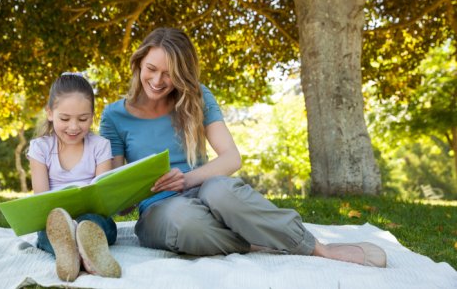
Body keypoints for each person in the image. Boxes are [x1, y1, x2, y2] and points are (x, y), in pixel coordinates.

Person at [100, 27, 387, 268]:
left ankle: (317, 248)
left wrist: (186, 179)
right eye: (151, 69)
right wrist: (138, 187)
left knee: (222, 190)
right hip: (159, 209)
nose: (158, 81)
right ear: (138, 63)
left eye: (170, 73)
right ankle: (254, 240)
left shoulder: (197, 97)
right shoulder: (113, 116)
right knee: (184, 220)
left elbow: (231, 157)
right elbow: (120, 202)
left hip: (201, 188)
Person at [27, 73, 122, 281]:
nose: (73, 127)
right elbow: (41, 199)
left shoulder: (100, 146)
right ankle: (84, 256)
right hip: (56, 222)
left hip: (92, 218)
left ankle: (77, 251)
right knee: (48, 233)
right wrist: (64, 222)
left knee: (98, 225)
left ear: (92, 116)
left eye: (82, 119)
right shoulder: (40, 148)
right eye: (65, 118)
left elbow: (102, 198)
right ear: (50, 113)